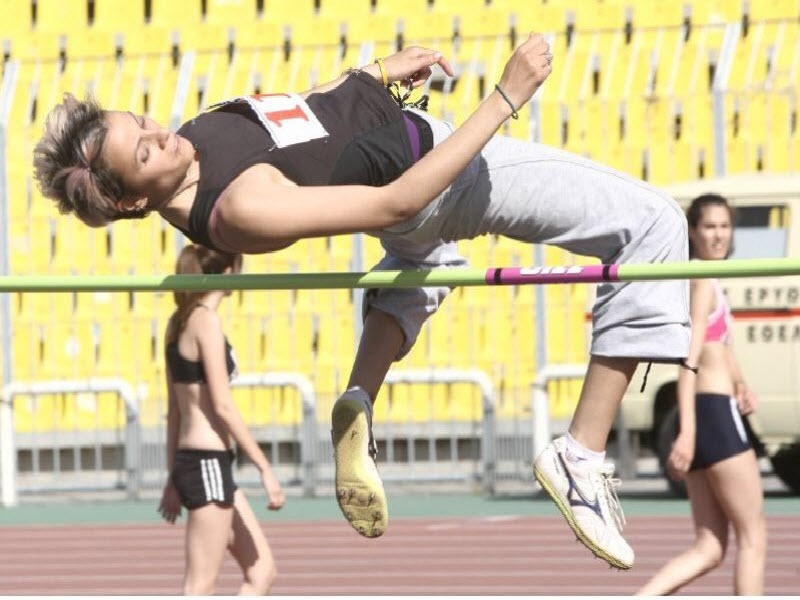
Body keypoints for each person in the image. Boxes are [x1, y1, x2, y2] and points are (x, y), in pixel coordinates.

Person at [34, 33, 691, 570]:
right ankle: (580, 453)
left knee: (428, 266)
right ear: (131, 202)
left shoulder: (199, 136)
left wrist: (370, 75)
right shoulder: (240, 208)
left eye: (144, 122)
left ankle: (360, 397)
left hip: (402, 143)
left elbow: (299, 114)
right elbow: (394, 203)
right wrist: (503, 99)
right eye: (146, 150)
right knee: (654, 224)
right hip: (435, 180)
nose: (163, 136)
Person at [636, 195, 767, 595]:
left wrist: (741, 382)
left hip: (714, 409)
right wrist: (687, 432)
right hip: (711, 413)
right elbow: (690, 359)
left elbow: (718, 347)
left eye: (725, 226)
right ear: (692, 231)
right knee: (754, 535)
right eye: (709, 226)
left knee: (711, 547)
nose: (718, 235)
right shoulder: (700, 278)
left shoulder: (707, 277)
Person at [157, 244, 285, 595]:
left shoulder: (178, 322)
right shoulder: (205, 322)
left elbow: (174, 412)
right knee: (200, 585)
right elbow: (223, 406)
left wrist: (172, 477)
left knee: (262, 571)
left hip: (201, 464)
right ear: (227, 271)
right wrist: (264, 467)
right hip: (206, 462)